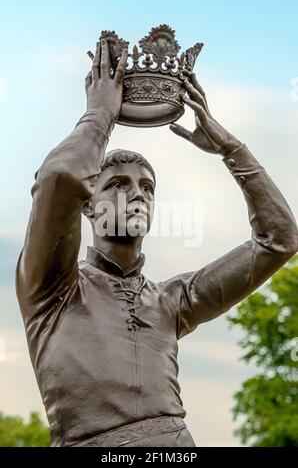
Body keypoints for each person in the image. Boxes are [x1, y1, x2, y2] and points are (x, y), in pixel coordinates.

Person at [15, 39, 298, 447]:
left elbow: (280, 240)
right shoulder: (52, 287)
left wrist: (232, 150)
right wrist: (99, 115)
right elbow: (59, 177)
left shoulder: (171, 301)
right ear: (88, 207)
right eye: (117, 184)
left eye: (147, 187)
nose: (137, 195)